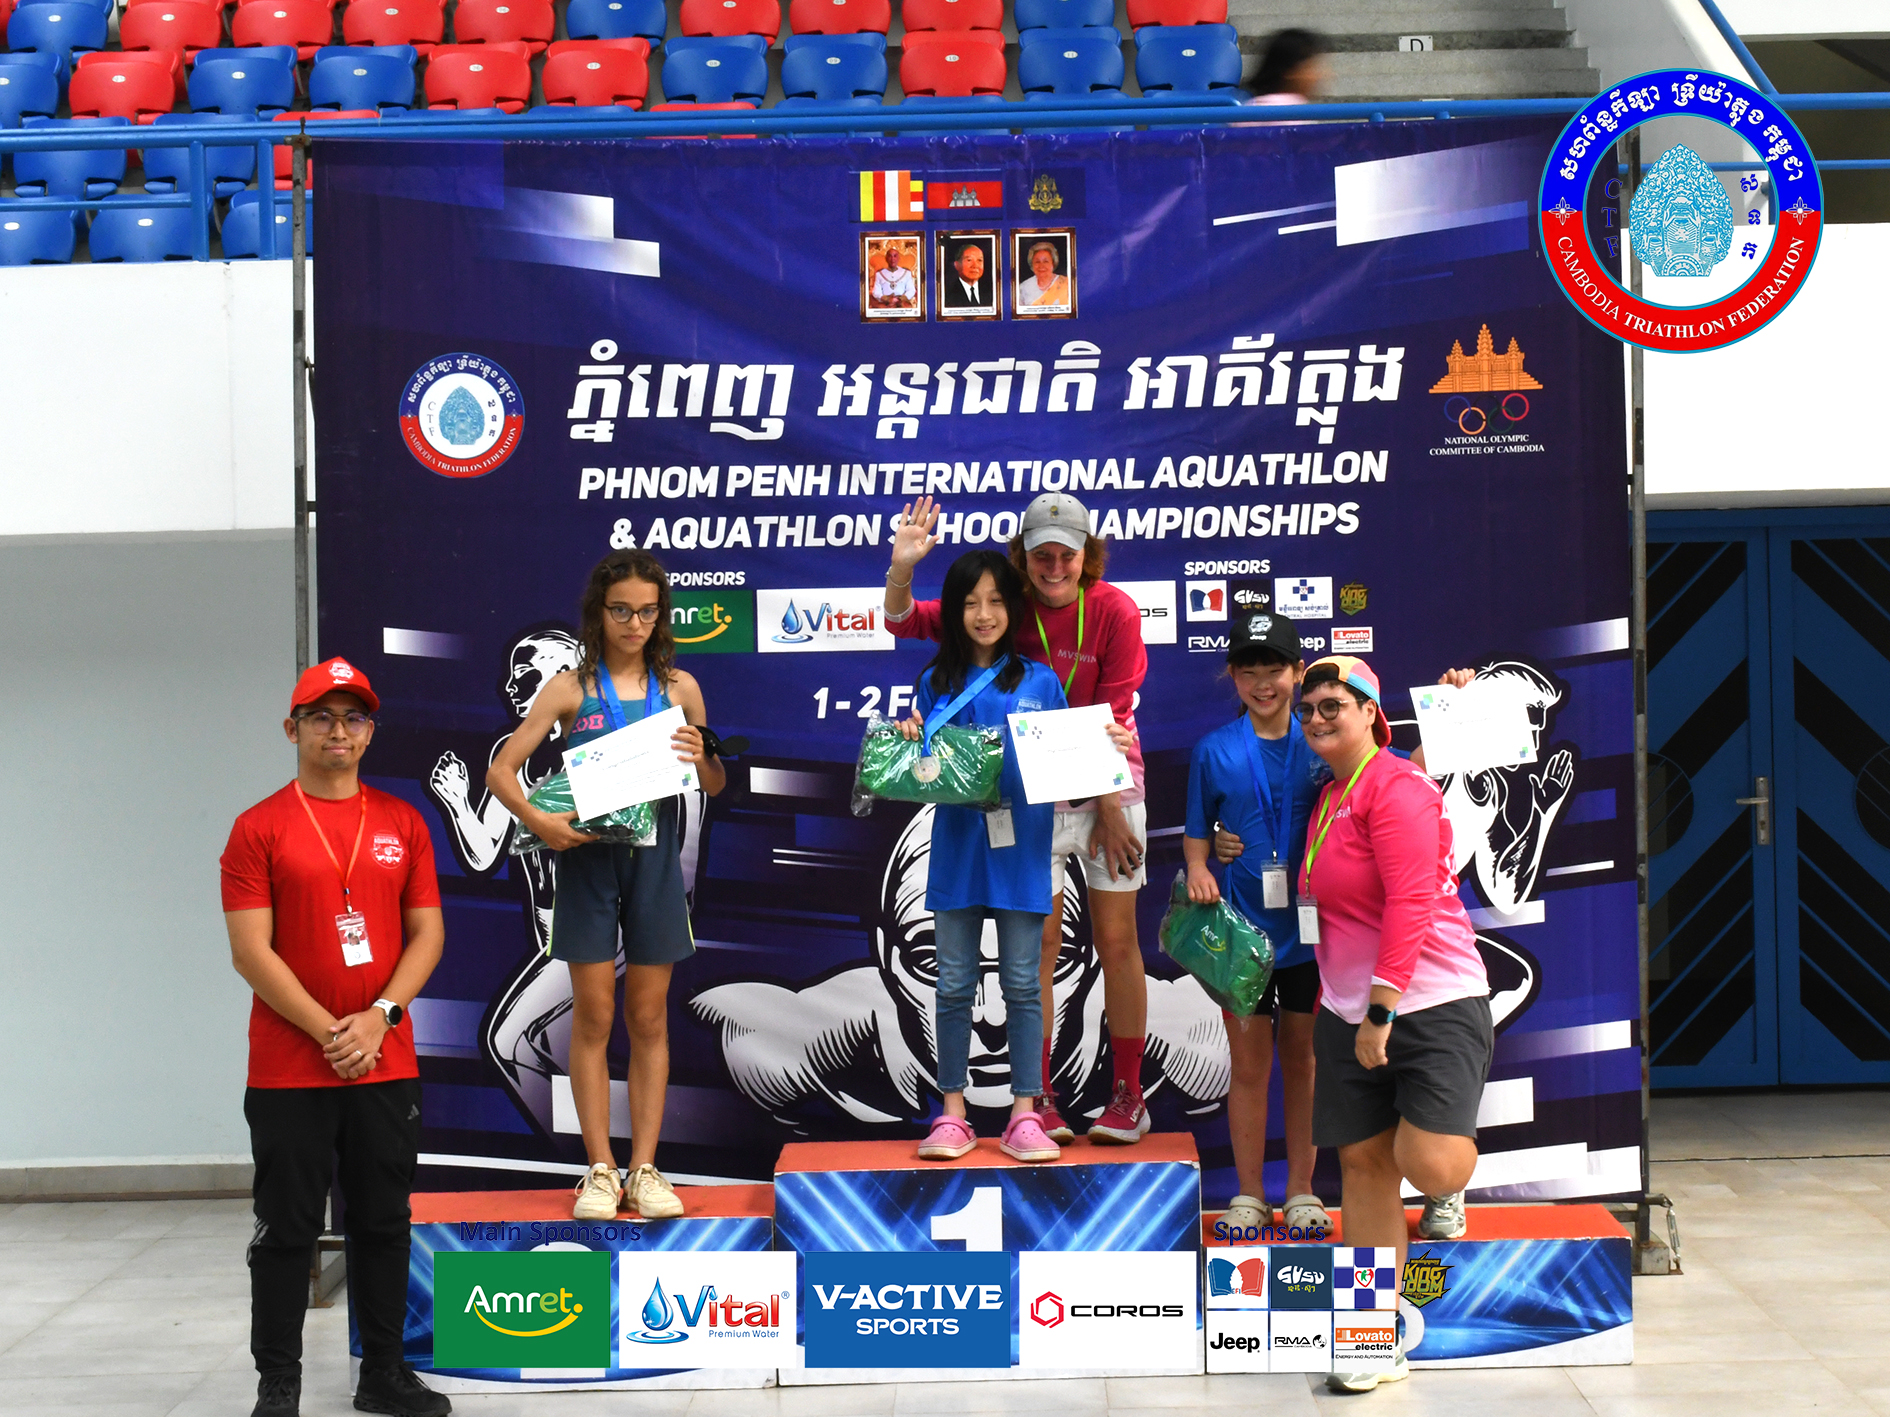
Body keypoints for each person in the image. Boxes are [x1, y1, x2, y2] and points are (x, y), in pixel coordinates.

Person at [885, 492, 1153, 1146]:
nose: (1054, 567)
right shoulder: (1003, 600)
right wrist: (901, 567)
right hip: (1035, 796)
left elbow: (1115, 713)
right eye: (1041, 555)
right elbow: (904, 620)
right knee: (1041, 950)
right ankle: (1039, 1101)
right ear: (1023, 557)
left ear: (1087, 556)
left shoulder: (1115, 610)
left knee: (1117, 940)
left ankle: (1127, 1092)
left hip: (1109, 784)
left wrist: (1109, 808)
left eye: (1067, 555)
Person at [220, 658, 450, 1417]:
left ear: (370, 732)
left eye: (354, 717)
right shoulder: (258, 828)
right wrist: (330, 1031)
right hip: (290, 1067)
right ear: (292, 729)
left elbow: (427, 934)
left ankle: (383, 1374)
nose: (338, 731)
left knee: (383, 1221)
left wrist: (379, 1017)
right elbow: (251, 952)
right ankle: (278, 1384)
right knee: (286, 1228)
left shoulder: (403, 822)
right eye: (321, 717)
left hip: (385, 1060)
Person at [486, 550, 728, 1221]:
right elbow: (502, 771)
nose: (634, 623)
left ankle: (645, 1168)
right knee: (591, 1017)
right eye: (621, 610)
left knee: (648, 1017)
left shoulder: (679, 687)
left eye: (647, 611)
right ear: (598, 611)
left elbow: (714, 784)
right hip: (588, 864)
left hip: (655, 865)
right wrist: (540, 821)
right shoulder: (569, 688)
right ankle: (598, 1169)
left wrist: (703, 756)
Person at [1293, 655, 1491, 1394]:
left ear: (1370, 713)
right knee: (1364, 1169)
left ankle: (1447, 1185)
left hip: (1431, 1003)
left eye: (1333, 705)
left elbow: (1410, 903)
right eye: (1309, 707)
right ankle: (1372, 1335)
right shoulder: (1329, 795)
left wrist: (1382, 1010)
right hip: (1345, 1010)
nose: (1317, 717)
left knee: (1428, 1162)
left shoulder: (1397, 787)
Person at [1182, 611, 1331, 1237]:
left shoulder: (1324, 741)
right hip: (1241, 938)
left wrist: (1452, 709)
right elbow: (1196, 835)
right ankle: (1248, 1193)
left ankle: (1302, 1191)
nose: (1263, 684)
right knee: (1248, 1068)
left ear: (1299, 672)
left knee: (1303, 1064)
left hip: (1312, 936)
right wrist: (1200, 866)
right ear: (1232, 676)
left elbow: (1393, 771)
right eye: (1249, 672)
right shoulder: (1214, 749)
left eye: (1275, 670)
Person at [1247, 27, 1328, 105]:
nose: (1317, 76)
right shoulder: (1271, 107)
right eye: (1310, 67)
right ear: (1290, 70)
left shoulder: (1298, 105)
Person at [1016, 240, 1071, 309]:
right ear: (1032, 265)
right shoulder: (1023, 288)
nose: (1041, 266)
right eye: (1037, 262)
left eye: (1046, 261)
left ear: (1053, 263)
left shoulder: (1067, 284)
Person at [943, 239, 992, 309]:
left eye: (979, 260)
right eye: (969, 260)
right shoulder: (947, 294)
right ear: (956, 265)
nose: (975, 266)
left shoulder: (992, 291)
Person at [870, 242, 917, 307]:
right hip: (885, 305)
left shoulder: (906, 273)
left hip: (901, 304)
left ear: (898, 258)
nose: (892, 259)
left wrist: (900, 299)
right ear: (886, 259)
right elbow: (876, 291)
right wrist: (886, 299)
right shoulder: (879, 274)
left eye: (895, 256)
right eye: (890, 256)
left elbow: (911, 290)